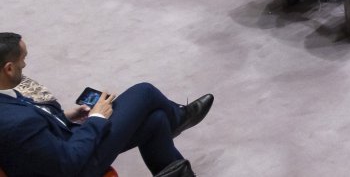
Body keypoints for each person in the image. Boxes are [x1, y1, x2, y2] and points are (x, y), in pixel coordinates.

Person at [0, 32, 213, 177]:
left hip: (61, 145)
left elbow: (31, 140)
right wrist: (96, 118)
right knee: (144, 92)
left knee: (155, 121)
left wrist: (66, 116)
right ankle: (179, 118)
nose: (25, 64)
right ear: (8, 68)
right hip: (78, 167)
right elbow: (68, 163)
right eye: (22, 59)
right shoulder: (14, 122)